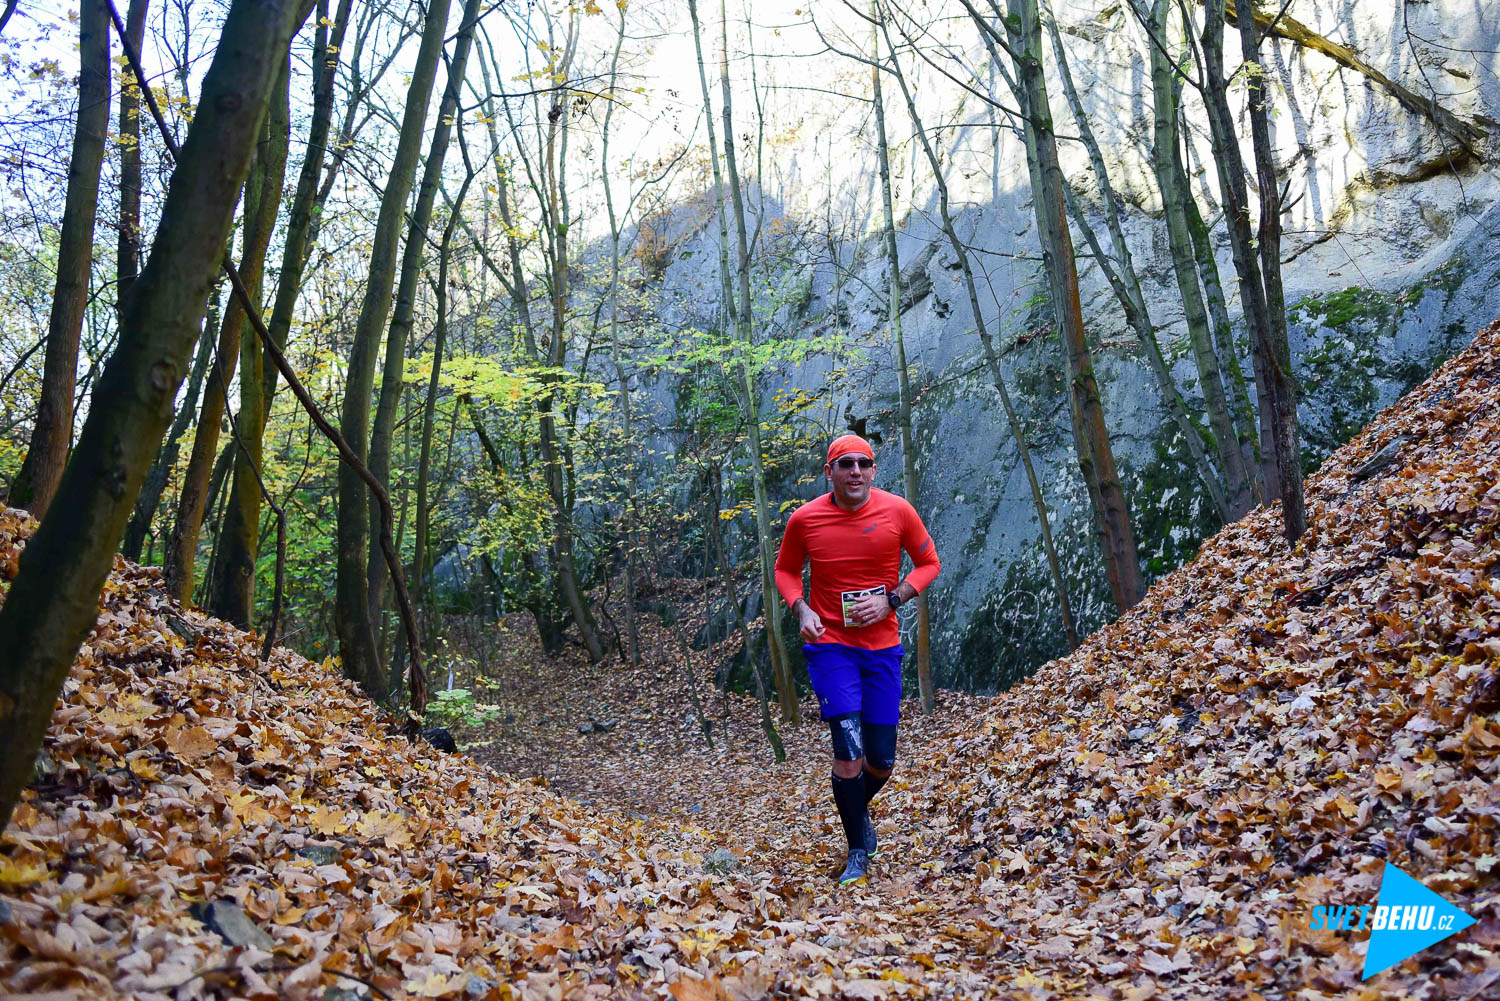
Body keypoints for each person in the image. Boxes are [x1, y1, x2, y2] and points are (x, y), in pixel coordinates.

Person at [774, 434, 940, 885]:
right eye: (845, 464)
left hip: (882, 648)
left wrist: (892, 600)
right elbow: (786, 570)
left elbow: (929, 563)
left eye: (863, 463)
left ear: (873, 470)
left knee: (881, 760)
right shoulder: (805, 519)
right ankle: (857, 850)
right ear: (829, 472)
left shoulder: (898, 511)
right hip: (831, 647)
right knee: (848, 753)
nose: (855, 471)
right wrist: (801, 608)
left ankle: (856, 809)